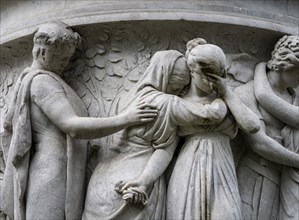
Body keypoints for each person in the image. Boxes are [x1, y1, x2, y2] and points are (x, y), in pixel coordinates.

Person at [0, 21, 158, 220]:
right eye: (62, 57)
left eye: (68, 57)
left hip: (57, 168)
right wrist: (125, 119)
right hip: (51, 172)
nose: (66, 63)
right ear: (43, 52)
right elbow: (72, 126)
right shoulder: (42, 82)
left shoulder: (39, 79)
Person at [83, 50, 228, 219]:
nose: (179, 92)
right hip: (135, 180)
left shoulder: (125, 98)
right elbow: (212, 115)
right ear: (164, 77)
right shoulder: (166, 103)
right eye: (176, 87)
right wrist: (224, 94)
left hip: (102, 181)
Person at [166, 39, 260, 220]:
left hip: (222, 168)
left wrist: (226, 92)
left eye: (220, 75)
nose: (213, 82)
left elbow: (253, 126)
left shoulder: (228, 99)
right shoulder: (179, 102)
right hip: (189, 167)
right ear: (193, 71)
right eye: (208, 76)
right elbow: (166, 145)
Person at [235, 35, 299, 219]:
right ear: (288, 64)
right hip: (258, 176)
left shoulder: (296, 99)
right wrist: (297, 161)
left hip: (291, 181)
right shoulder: (246, 92)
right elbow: (260, 143)